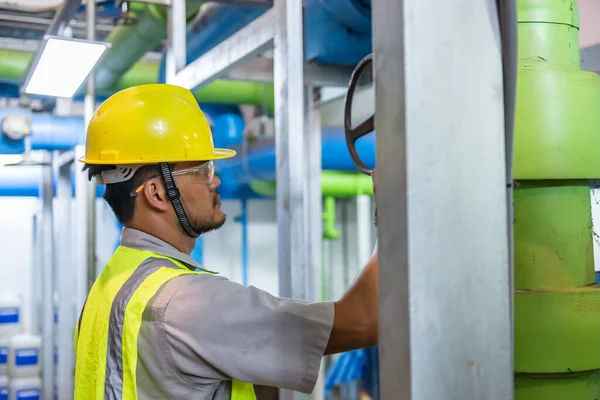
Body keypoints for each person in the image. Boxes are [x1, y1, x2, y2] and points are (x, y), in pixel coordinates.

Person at [73, 83, 379, 400]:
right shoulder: (187, 303)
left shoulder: (108, 289)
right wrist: (391, 204)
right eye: (202, 169)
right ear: (157, 193)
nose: (215, 180)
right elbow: (365, 320)